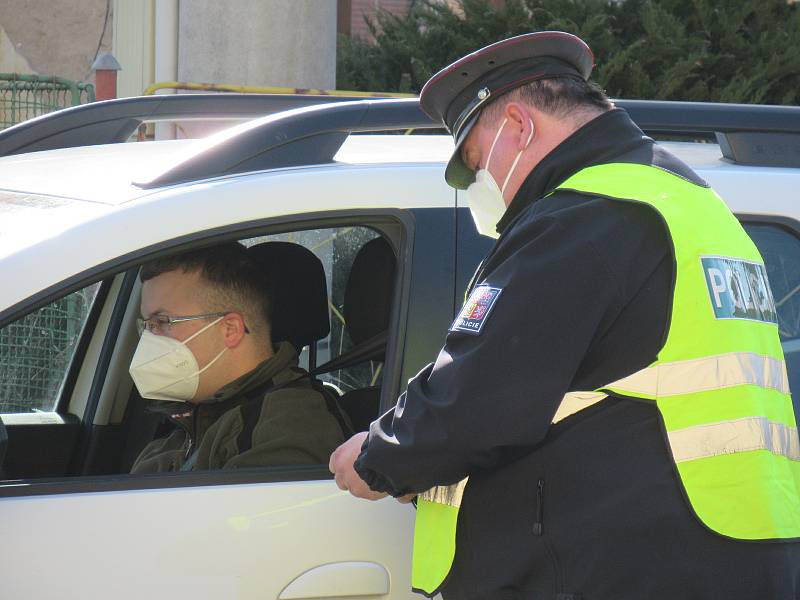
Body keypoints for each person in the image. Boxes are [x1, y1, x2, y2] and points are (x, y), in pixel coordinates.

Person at [329, 31, 800, 599]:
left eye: (473, 163)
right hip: (719, 556)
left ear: (519, 127)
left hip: (623, 571)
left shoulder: (587, 217)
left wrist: (380, 457)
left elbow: (483, 394)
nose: (478, 186)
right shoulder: (687, 201)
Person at [129, 242, 345, 473]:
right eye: (147, 325)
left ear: (230, 329)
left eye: (162, 322)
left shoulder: (289, 428)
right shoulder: (189, 425)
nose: (149, 339)